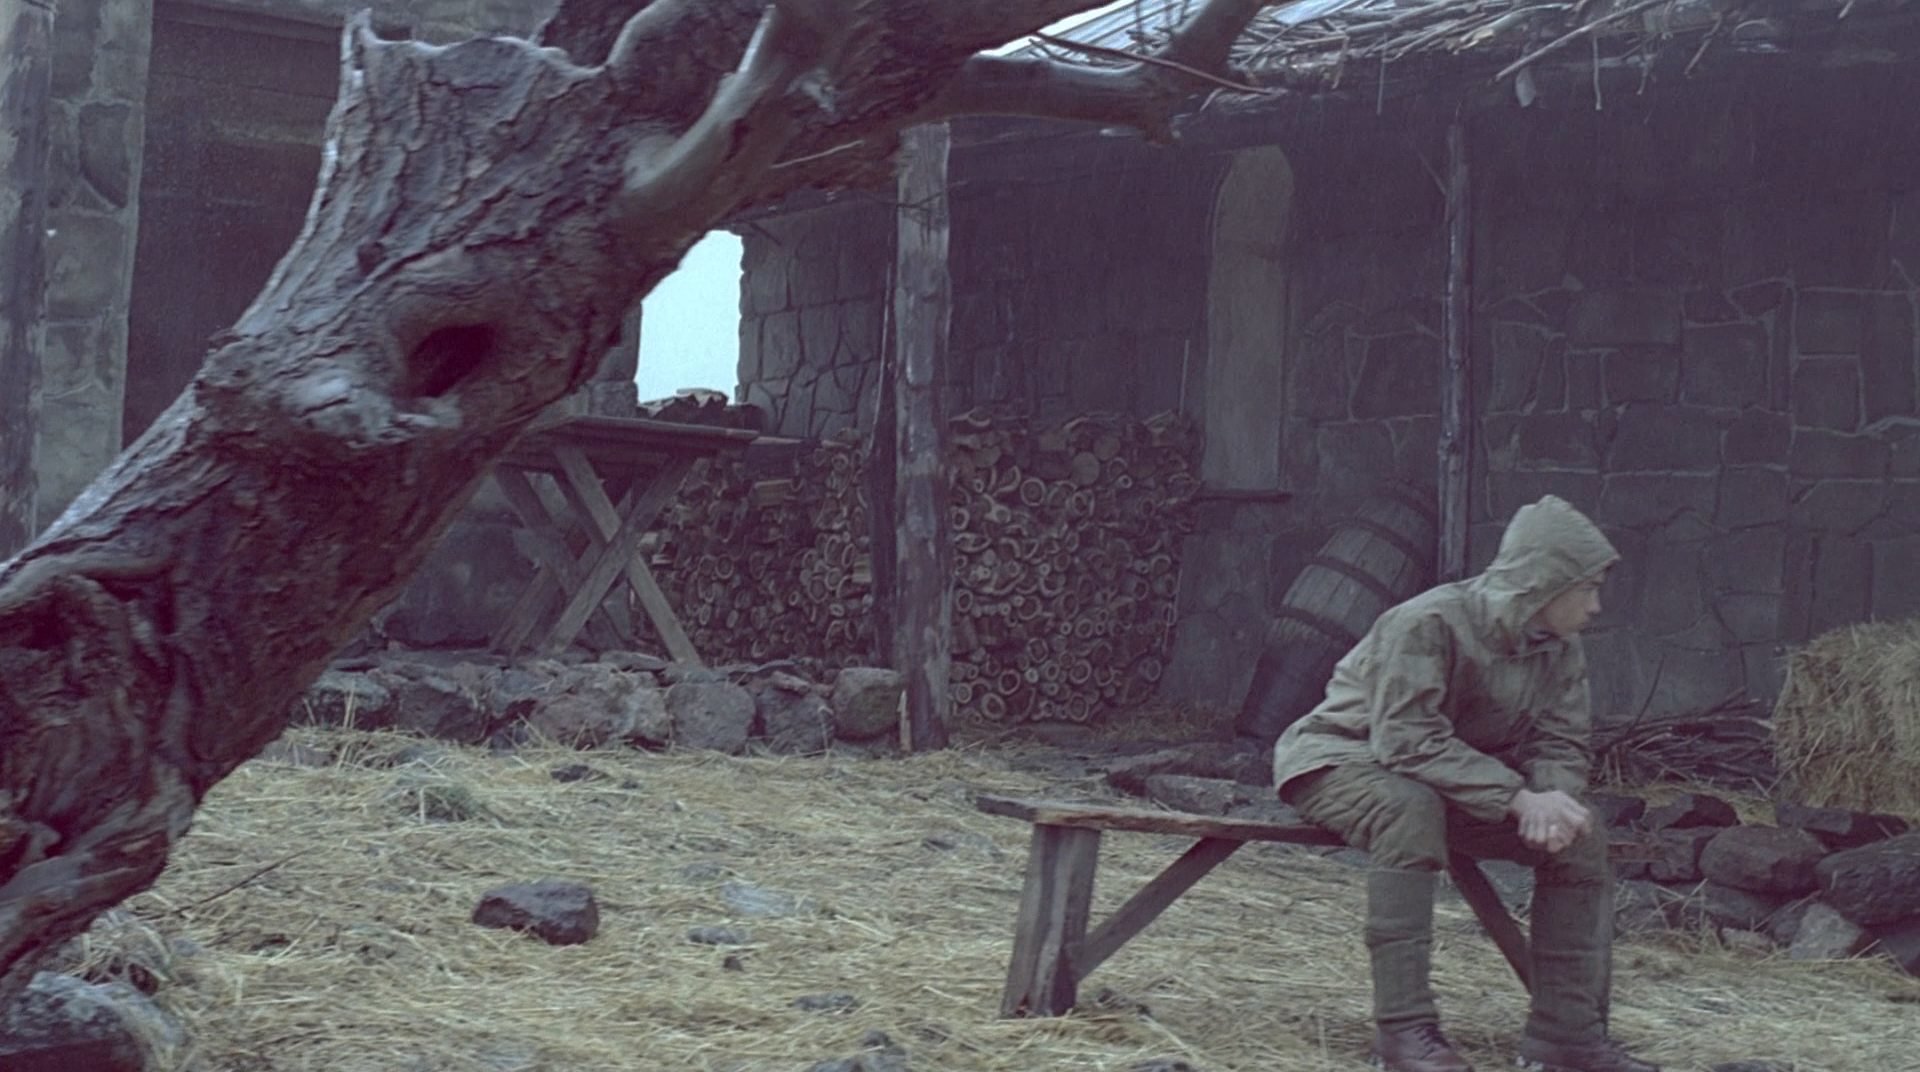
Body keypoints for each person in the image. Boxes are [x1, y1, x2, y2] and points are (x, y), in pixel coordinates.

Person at [1272, 494, 1657, 1072]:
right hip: (1341, 757)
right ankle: (1403, 1035)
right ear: (1544, 583)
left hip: (1447, 780)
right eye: (1588, 589)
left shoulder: (1559, 649)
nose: (1596, 606)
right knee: (1409, 810)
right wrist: (1516, 798)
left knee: (1582, 835)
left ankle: (1566, 1039)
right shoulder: (1427, 623)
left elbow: (1560, 742)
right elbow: (1405, 739)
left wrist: (1552, 802)